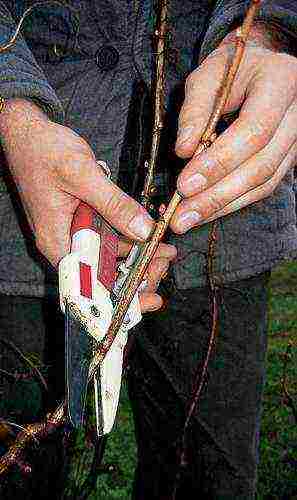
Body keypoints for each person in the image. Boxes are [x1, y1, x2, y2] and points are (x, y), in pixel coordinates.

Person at [0, 1, 296, 498]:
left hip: (227, 214)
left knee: (208, 478)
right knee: (17, 472)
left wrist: (274, 33)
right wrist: (11, 106)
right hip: (17, 207)